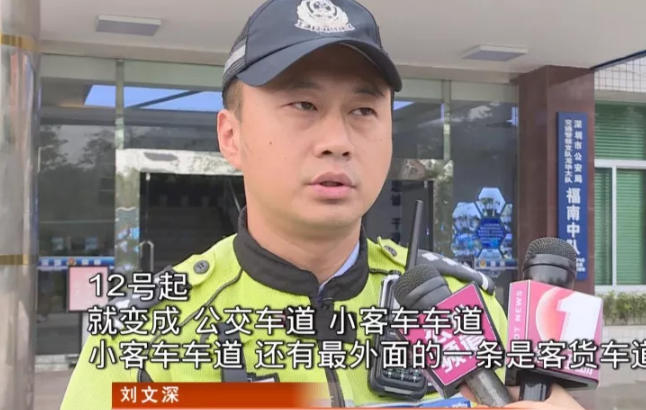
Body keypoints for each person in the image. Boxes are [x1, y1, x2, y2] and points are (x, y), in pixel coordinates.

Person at [60, 0, 585, 409]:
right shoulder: (145, 338)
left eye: (363, 110)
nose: (337, 140)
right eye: (303, 104)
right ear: (231, 136)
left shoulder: (461, 309)